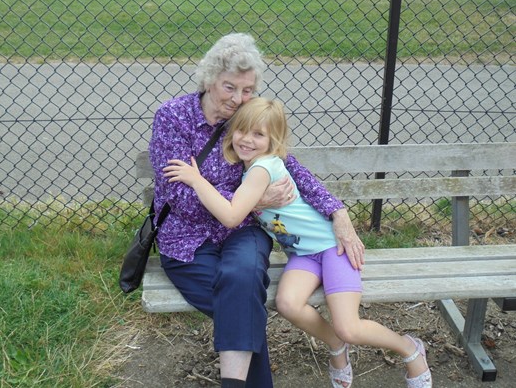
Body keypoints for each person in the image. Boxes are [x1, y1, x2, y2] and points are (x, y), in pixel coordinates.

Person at [164, 97, 432, 388]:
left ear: (273, 139)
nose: (247, 140)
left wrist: (196, 180)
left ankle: (409, 348)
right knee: (288, 304)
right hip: (302, 255)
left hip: (332, 249)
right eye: (242, 130)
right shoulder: (249, 167)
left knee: (349, 326)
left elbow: (231, 216)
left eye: (259, 134)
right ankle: (336, 345)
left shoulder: (261, 169)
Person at [150, 33, 364, 388]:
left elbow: (293, 169)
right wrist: (255, 202)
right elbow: (180, 198)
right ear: (209, 80)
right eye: (229, 87)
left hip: (243, 232)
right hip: (185, 240)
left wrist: (338, 213)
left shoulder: (246, 119)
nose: (237, 99)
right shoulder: (173, 118)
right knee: (242, 306)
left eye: (247, 89)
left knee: (240, 279)